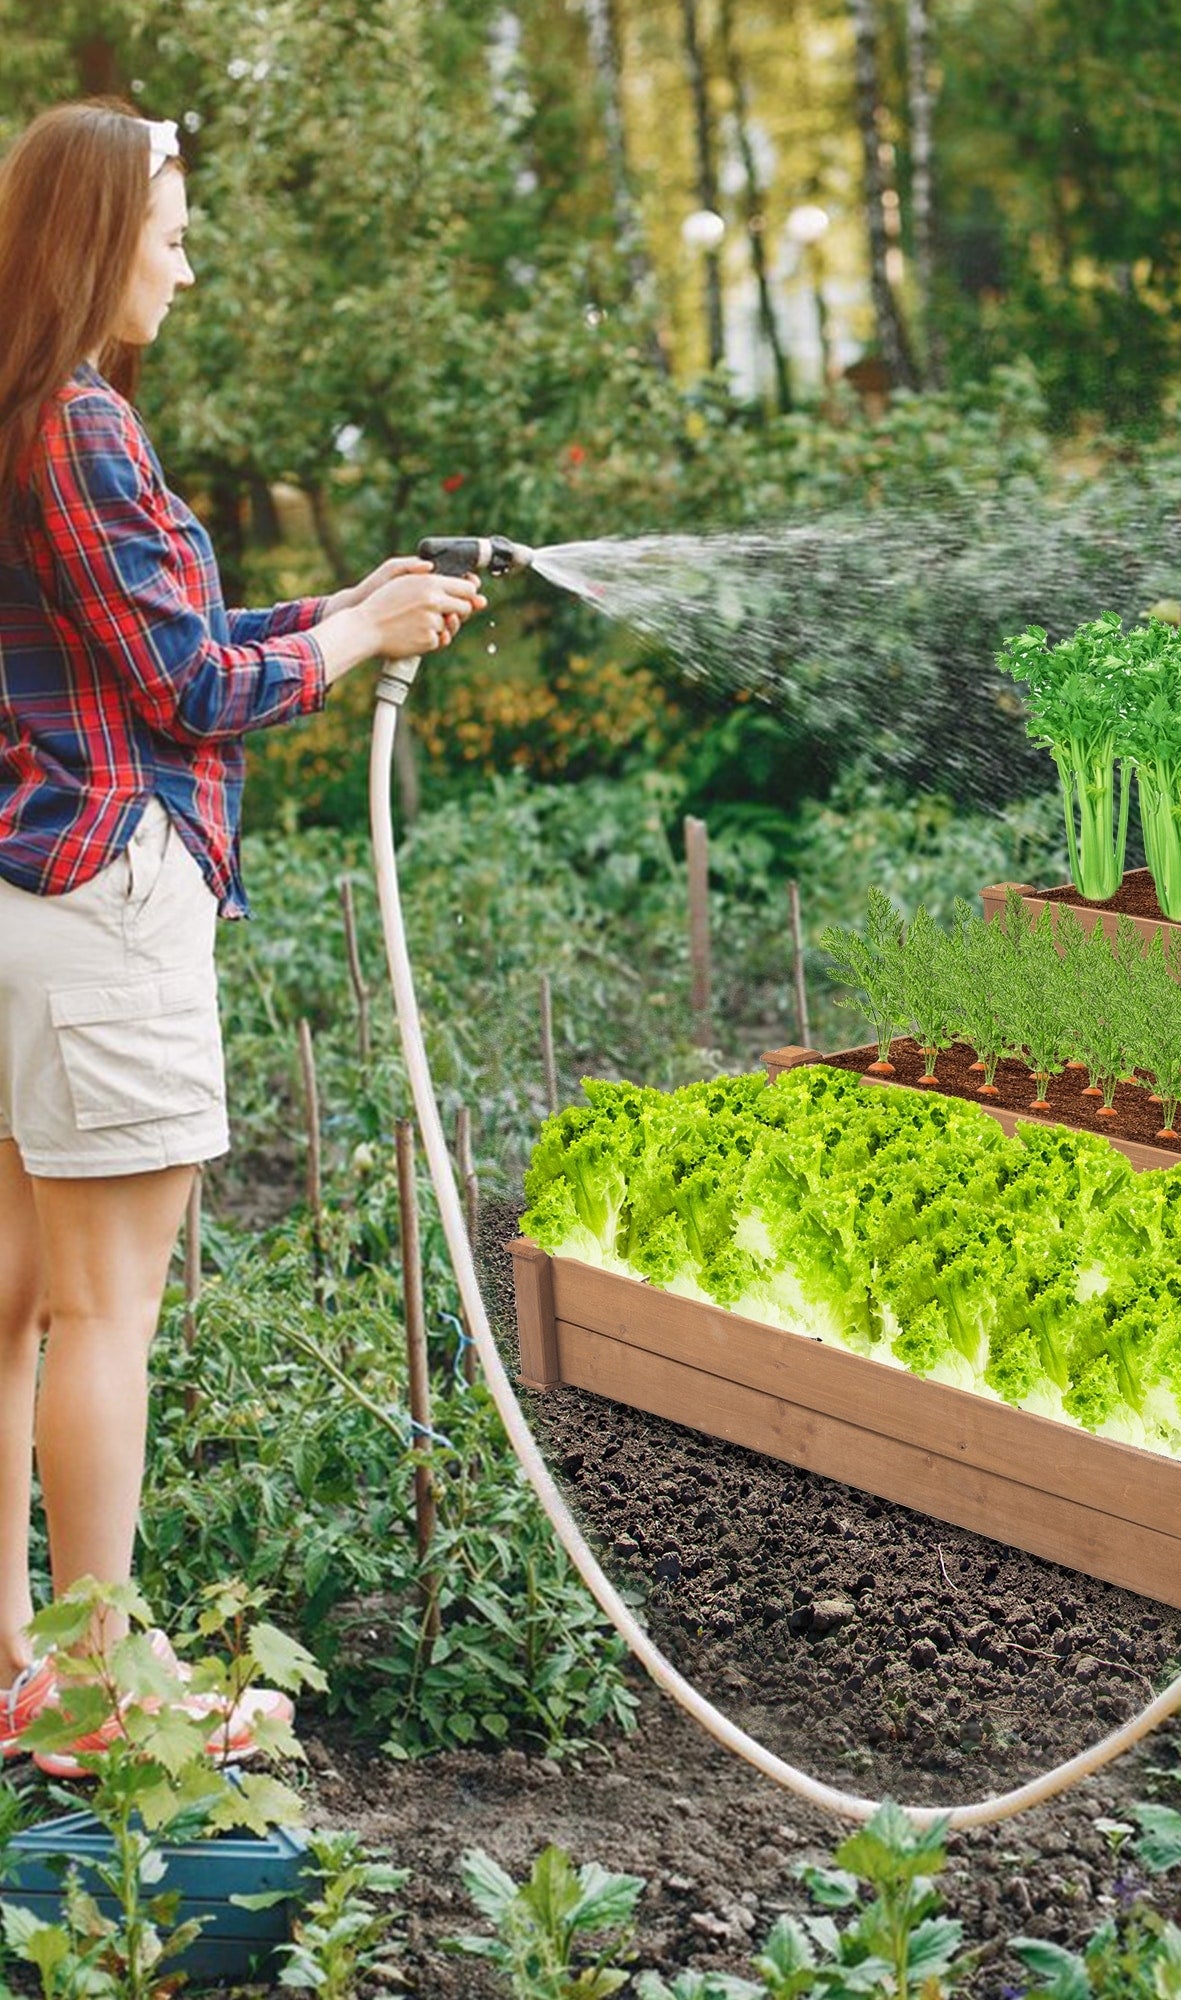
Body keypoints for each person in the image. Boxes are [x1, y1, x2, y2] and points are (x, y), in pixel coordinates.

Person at [0, 99, 485, 1773]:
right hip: (100, 901)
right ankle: (94, 1691)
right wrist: (351, 649)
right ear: (94, 237)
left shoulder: (23, 422)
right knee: (103, 1310)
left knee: (14, 1304)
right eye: (175, 229)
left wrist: (349, 607)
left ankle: (14, 1662)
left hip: (17, 900)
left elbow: (167, 629)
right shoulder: (79, 425)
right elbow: (191, 685)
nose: (188, 264)